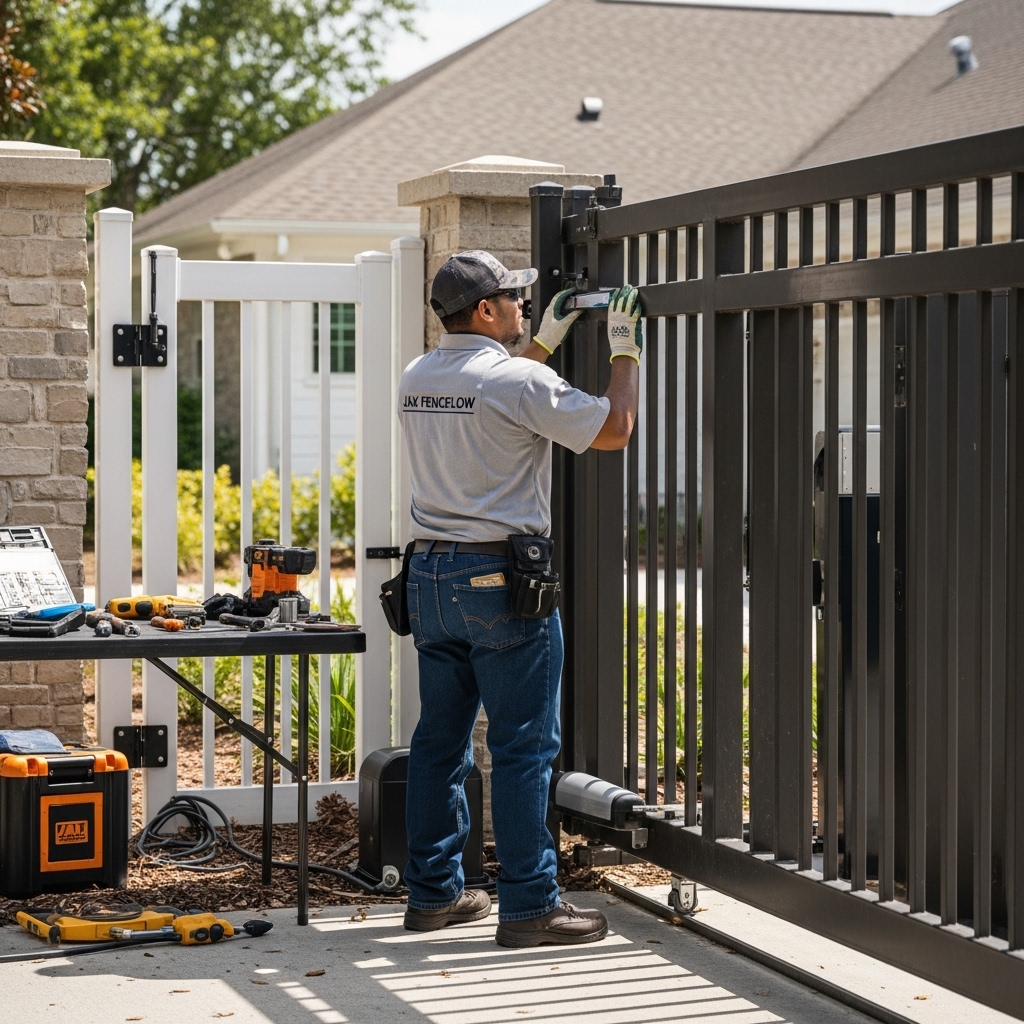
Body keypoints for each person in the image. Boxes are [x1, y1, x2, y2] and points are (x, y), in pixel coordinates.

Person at [398, 249, 642, 947]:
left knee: (438, 743)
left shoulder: (419, 375)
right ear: (485, 310)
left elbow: (497, 397)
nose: (523, 306)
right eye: (513, 297)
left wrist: (545, 341)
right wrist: (624, 351)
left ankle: (434, 895)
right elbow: (613, 430)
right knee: (523, 747)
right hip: (500, 584)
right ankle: (531, 905)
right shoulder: (517, 380)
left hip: (430, 580)